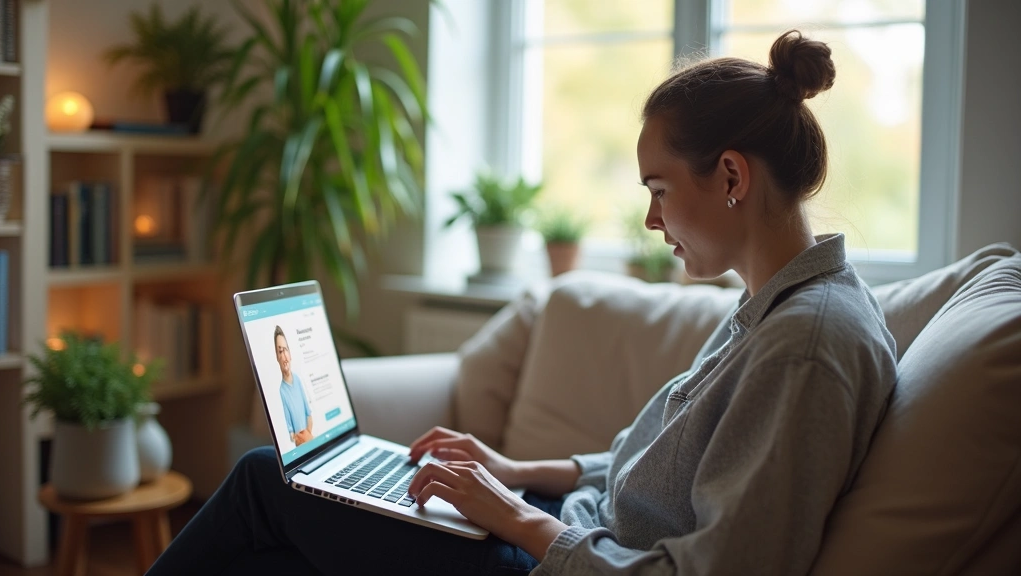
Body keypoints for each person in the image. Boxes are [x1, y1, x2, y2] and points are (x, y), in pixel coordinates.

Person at [148, 30, 897, 575]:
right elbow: (656, 470)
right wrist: (514, 470)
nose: (651, 221)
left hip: (545, 563)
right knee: (279, 549)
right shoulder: (773, 310)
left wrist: (513, 518)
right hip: (550, 535)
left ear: (731, 177)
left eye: (660, 191)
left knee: (261, 481)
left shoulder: (805, 346)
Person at [275, 325, 314, 447]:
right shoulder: (282, 390)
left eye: (286, 350)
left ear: (290, 354)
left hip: (308, 435)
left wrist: (308, 433)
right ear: (277, 357)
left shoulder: (297, 379)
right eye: (280, 351)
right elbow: (289, 425)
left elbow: (308, 412)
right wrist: (296, 436)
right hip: (299, 442)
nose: (285, 356)